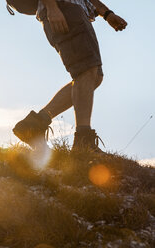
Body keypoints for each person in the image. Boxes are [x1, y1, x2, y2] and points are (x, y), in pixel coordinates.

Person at [13, 0, 127, 152]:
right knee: (87, 70)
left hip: (75, 12)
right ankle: (83, 140)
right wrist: (53, 8)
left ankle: (34, 124)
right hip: (64, 9)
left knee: (94, 76)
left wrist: (107, 14)